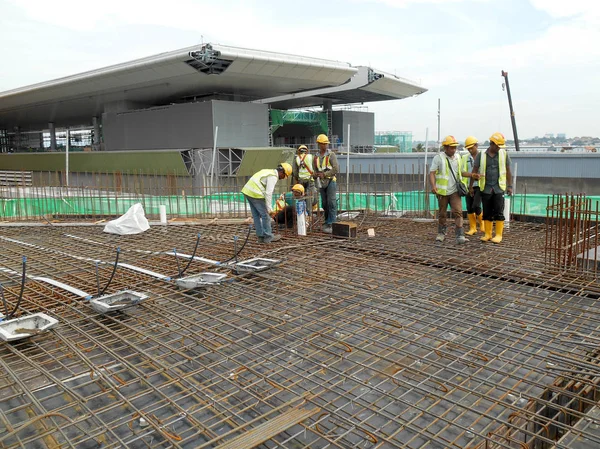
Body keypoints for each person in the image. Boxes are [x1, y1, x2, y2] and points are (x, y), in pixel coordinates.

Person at [470, 132, 513, 244]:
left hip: (499, 188)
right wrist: (471, 185)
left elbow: (508, 171)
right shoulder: (481, 155)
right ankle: (488, 234)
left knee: (499, 211)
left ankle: (498, 235)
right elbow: (474, 171)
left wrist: (510, 186)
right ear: (492, 144)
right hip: (486, 188)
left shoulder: (504, 154)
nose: (499, 148)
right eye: (497, 145)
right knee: (487, 211)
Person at [429, 135, 466, 244]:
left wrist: (472, 175)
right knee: (442, 213)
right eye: (451, 147)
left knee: (458, 212)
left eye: (455, 147)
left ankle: (460, 235)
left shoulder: (458, 157)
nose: (454, 149)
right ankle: (441, 233)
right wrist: (433, 186)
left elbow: (461, 172)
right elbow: (432, 173)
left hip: (455, 191)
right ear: (445, 148)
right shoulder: (439, 158)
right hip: (442, 192)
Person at [241, 163, 292, 243]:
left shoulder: (268, 171)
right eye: (284, 176)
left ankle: (261, 237)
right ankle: (268, 237)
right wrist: (270, 210)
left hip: (248, 191)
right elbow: (269, 193)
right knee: (265, 215)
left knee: (256, 215)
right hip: (255, 193)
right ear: (282, 172)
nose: (282, 179)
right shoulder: (273, 177)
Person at [313, 134, 339, 234]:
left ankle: (331, 223)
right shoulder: (316, 157)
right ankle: (327, 221)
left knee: (331, 202)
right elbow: (314, 170)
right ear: (319, 144)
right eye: (323, 144)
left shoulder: (331, 155)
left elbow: (336, 169)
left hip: (330, 180)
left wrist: (325, 174)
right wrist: (315, 175)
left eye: (326, 144)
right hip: (321, 182)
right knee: (324, 203)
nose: (325, 146)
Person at [460, 136, 484, 235]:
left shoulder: (483, 156)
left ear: (476, 146)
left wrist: (480, 176)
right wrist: (471, 175)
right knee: (469, 207)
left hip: (480, 185)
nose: (470, 150)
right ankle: (473, 228)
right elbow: (462, 172)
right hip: (468, 185)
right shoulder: (465, 158)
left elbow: (487, 171)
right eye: (468, 148)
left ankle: (482, 224)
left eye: (472, 148)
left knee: (476, 205)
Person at [292, 144, 317, 211]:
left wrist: (298, 178)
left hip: (301, 180)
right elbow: (315, 167)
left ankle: (301, 213)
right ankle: (309, 214)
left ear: (299, 151)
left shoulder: (296, 158)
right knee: (309, 197)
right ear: (306, 151)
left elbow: (294, 171)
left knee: (301, 197)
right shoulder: (311, 157)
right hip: (310, 180)